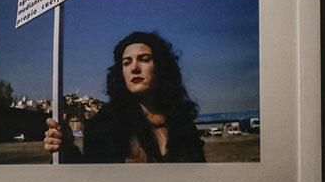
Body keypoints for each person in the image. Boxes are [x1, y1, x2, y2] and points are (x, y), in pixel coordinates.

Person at [44, 31, 205, 163]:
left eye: (144, 59)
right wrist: (66, 150)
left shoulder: (182, 124)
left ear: (161, 67)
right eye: (126, 62)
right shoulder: (105, 125)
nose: (134, 68)